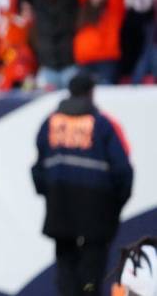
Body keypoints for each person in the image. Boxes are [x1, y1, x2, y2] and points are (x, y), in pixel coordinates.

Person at [32, 73, 133, 296]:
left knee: (66, 274)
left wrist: (52, 195)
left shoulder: (51, 122)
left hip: (61, 210)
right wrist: (114, 207)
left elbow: (38, 170)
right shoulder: (102, 124)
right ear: (91, 93)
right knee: (91, 277)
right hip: (96, 214)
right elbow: (123, 171)